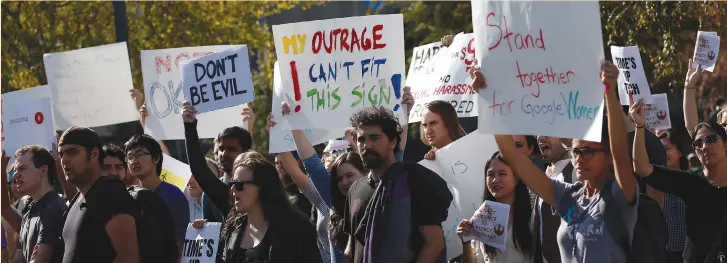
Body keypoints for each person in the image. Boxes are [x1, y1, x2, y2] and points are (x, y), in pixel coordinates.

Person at [488, 62, 638, 262]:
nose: (578, 158)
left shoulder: (620, 193)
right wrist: (490, 94)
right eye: (575, 151)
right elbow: (510, 154)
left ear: (607, 155)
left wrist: (609, 93)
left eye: (587, 151)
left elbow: (620, 150)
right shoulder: (567, 195)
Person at [632, 60, 727, 263]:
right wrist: (640, 129)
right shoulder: (691, 183)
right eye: (698, 144)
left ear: (725, 145)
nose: (704, 146)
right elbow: (642, 167)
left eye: (711, 140)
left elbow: (694, 127)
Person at [345, 106, 453, 263]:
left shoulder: (413, 179)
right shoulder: (355, 188)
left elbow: (434, 243)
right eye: (361, 139)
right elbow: (351, 246)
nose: (367, 145)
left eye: (374, 138)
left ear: (392, 142)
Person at [190, 156, 322, 263]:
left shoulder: (296, 228)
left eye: (239, 185)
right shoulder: (233, 226)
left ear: (262, 187)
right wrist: (202, 238)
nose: (232, 191)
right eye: (231, 184)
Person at [57, 126, 140, 263]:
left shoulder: (110, 192)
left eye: (71, 152)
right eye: (61, 154)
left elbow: (128, 258)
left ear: (94, 154)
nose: (64, 160)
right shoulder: (77, 198)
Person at [457, 151, 535, 263]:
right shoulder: (481, 218)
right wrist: (466, 241)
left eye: (502, 174)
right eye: (490, 175)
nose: (495, 180)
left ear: (516, 179)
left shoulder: (533, 215)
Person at [0, 146, 66, 263]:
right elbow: (19, 260)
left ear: (43, 170)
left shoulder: (52, 210)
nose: (15, 175)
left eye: (22, 168)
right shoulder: (30, 207)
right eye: (15, 169)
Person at [124, 134, 189, 251]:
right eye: (129, 157)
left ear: (156, 158)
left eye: (139, 154)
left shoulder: (174, 195)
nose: (134, 161)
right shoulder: (128, 197)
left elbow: (181, 243)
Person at [533, 136, 574, 263]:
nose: (540, 137)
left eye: (548, 130)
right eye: (537, 132)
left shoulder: (577, 173)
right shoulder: (548, 173)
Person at [656, 131, 692, 263]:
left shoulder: (693, 181)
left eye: (667, 149)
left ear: (680, 152)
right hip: (661, 253)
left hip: (687, 254)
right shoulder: (652, 184)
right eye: (659, 150)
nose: (663, 154)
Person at [274, 153, 313, 218]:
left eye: (283, 162)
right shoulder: (274, 191)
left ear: (297, 162)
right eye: (277, 163)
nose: (280, 166)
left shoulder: (308, 186)